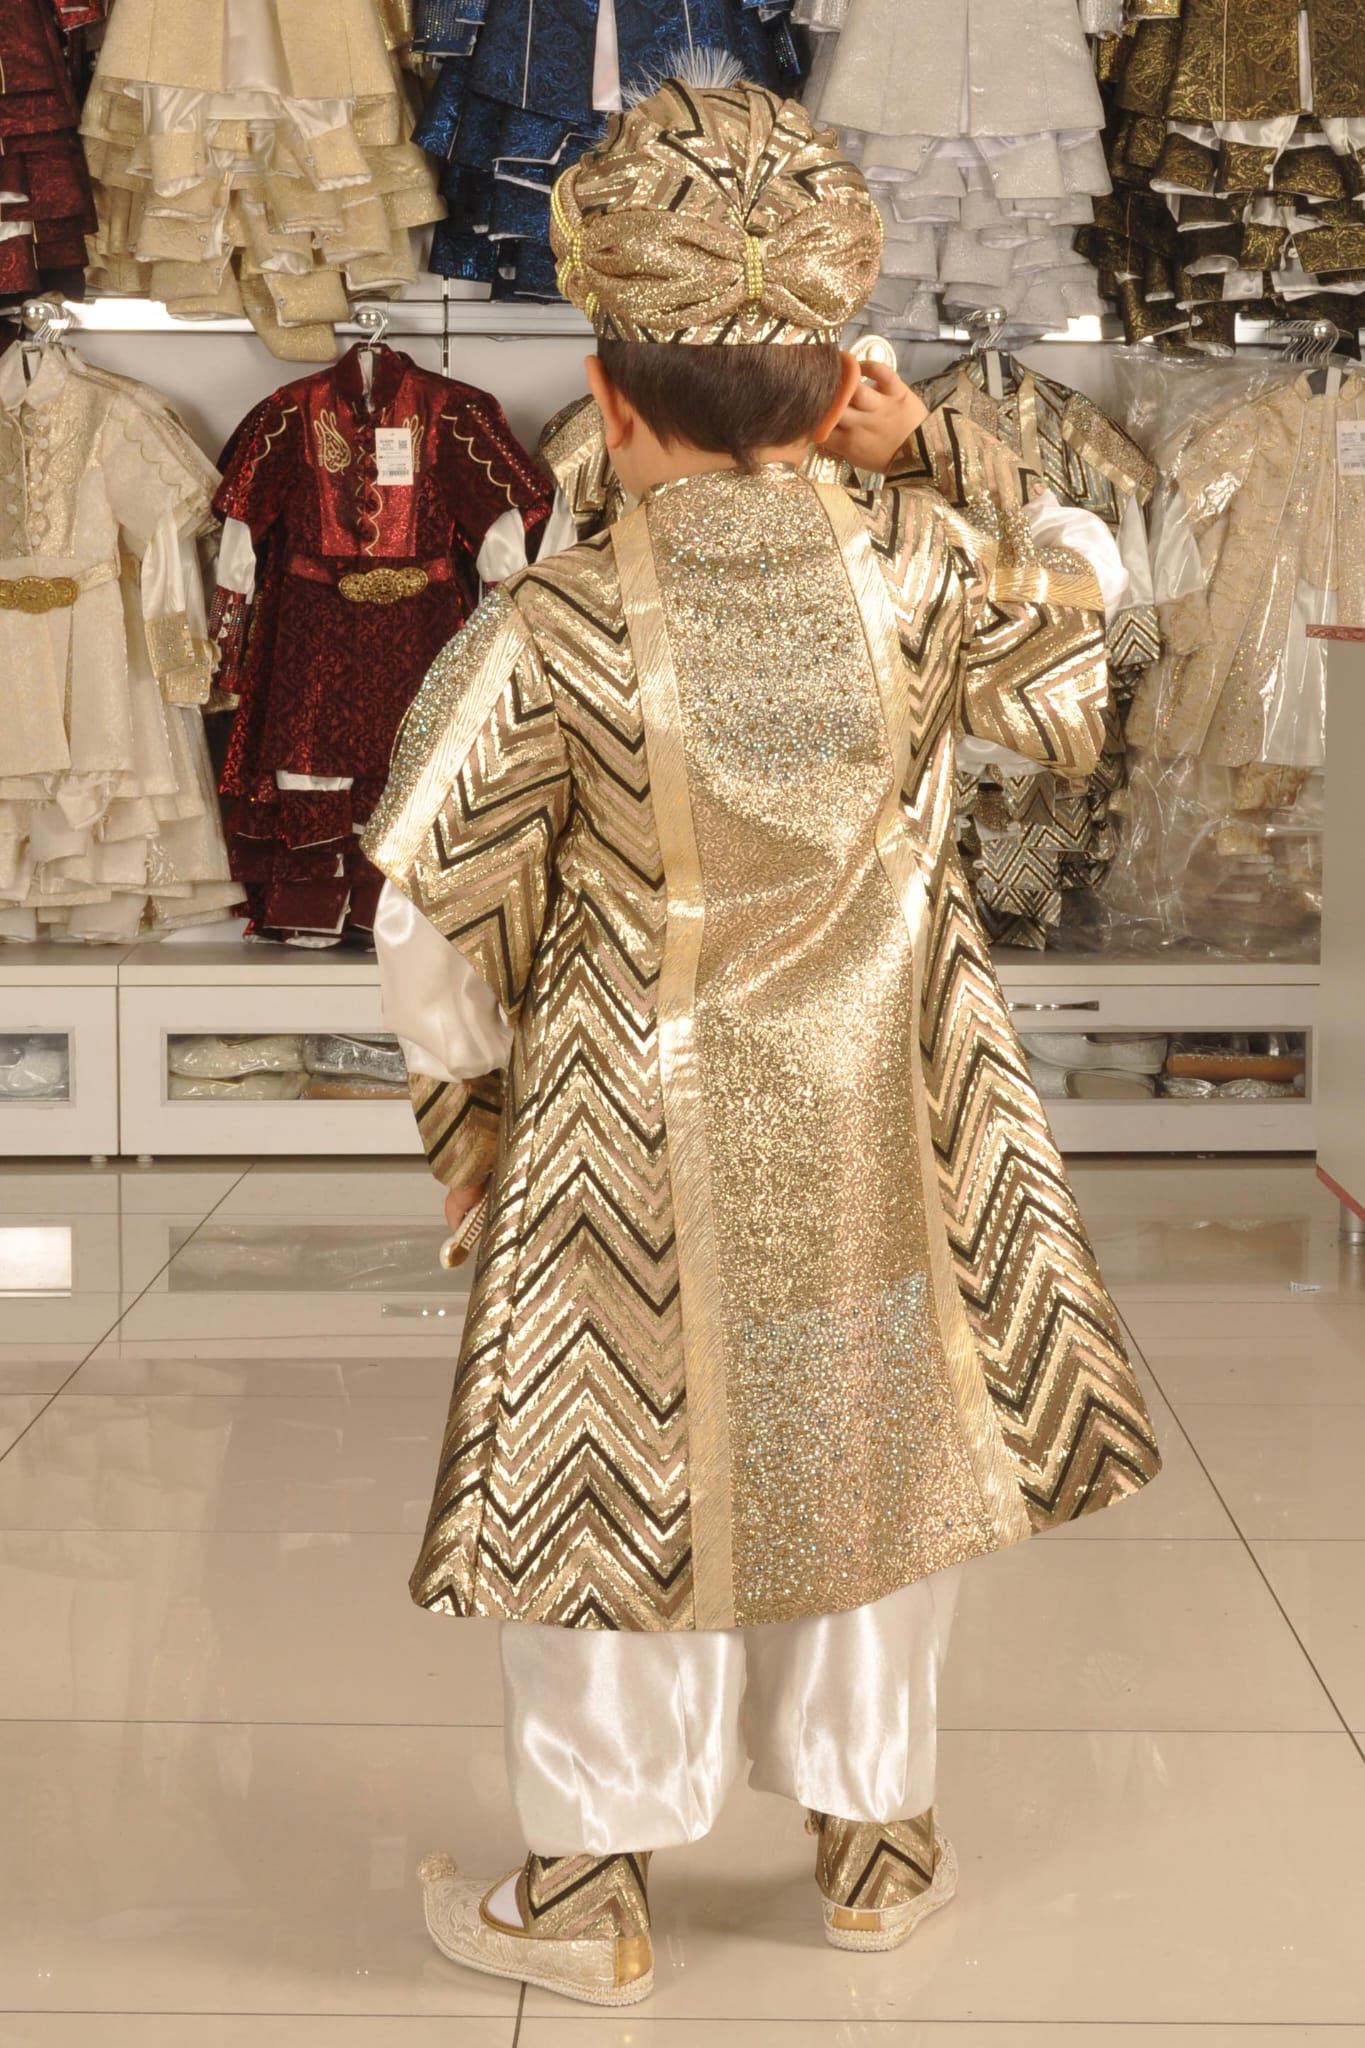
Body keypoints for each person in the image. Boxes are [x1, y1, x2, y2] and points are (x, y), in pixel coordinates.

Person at [362, 67, 1162, 2012]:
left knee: (603, 1486)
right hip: (893, 1110)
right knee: (873, 1453)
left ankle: (586, 1890)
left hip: (624, 1138)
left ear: (607, 398)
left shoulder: (552, 624)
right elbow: (1089, 604)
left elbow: (420, 916)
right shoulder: (918, 570)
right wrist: (944, 451)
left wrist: (473, 1124)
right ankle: (873, 1846)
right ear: (833, 386)